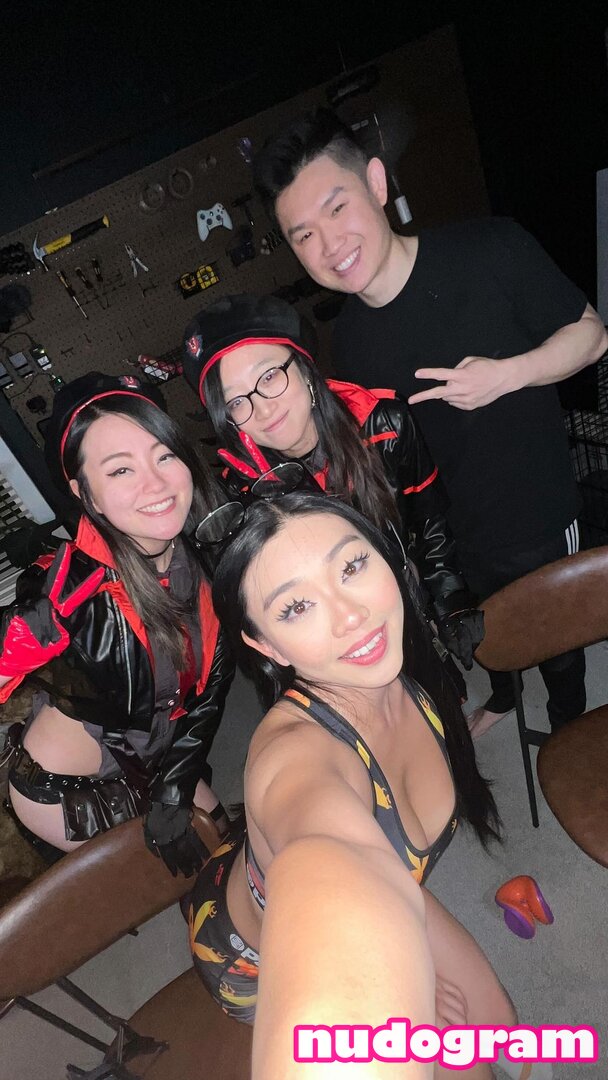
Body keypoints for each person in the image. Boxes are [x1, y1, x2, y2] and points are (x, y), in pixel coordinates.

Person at [252, 107, 608, 738]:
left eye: (337, 208)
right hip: (451, 535)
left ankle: (567, 726)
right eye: (303, 234)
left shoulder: (490, 248)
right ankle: (503, 696)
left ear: (376, 183)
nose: (330, 246)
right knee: (481, 631)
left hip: (537, 509)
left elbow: (592, 335)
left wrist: (510, 373)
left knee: (559, 642)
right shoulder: (350, 339)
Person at [189, 493, 553, 1080]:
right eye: (296, 606)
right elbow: (327, 856)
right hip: (247, 955)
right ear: (265, 646)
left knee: (498, 1024)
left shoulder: (402, 670)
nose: (350, 614)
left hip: (363, 874)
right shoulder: (295, 759)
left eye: (352, 565)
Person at [0, 372, 233, 874]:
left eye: (164, 456)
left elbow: (211, 687)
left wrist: (175, 783)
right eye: (121, 469)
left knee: (221, 842)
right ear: (84, 492)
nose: (156, 483)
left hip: (152, 756)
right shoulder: (70, 597)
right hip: (66, 791)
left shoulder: (205, 552)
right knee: (188, 876)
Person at [182, 292, 483, 673]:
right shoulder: (243, 490)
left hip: (407, 604)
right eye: (237, 402)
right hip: (335, 640)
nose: (263, 408)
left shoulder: (384, 425)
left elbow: (429, 520)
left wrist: (450, 599)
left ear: (306, 369)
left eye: (269, 376)